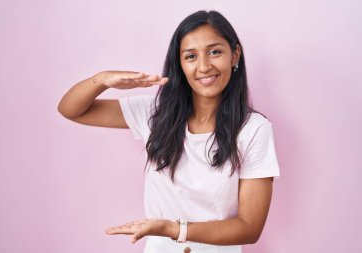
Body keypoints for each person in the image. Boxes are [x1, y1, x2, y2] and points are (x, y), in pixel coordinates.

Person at [58, 10, 280, 253]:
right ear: (180, 64)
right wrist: (101, 80)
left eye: (215, 51)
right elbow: (71, 110)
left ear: (234, 55)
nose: (204, 66)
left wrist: (174, 229)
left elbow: (249, 227)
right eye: (191, 56)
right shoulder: (155, 113)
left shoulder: (254, 129)